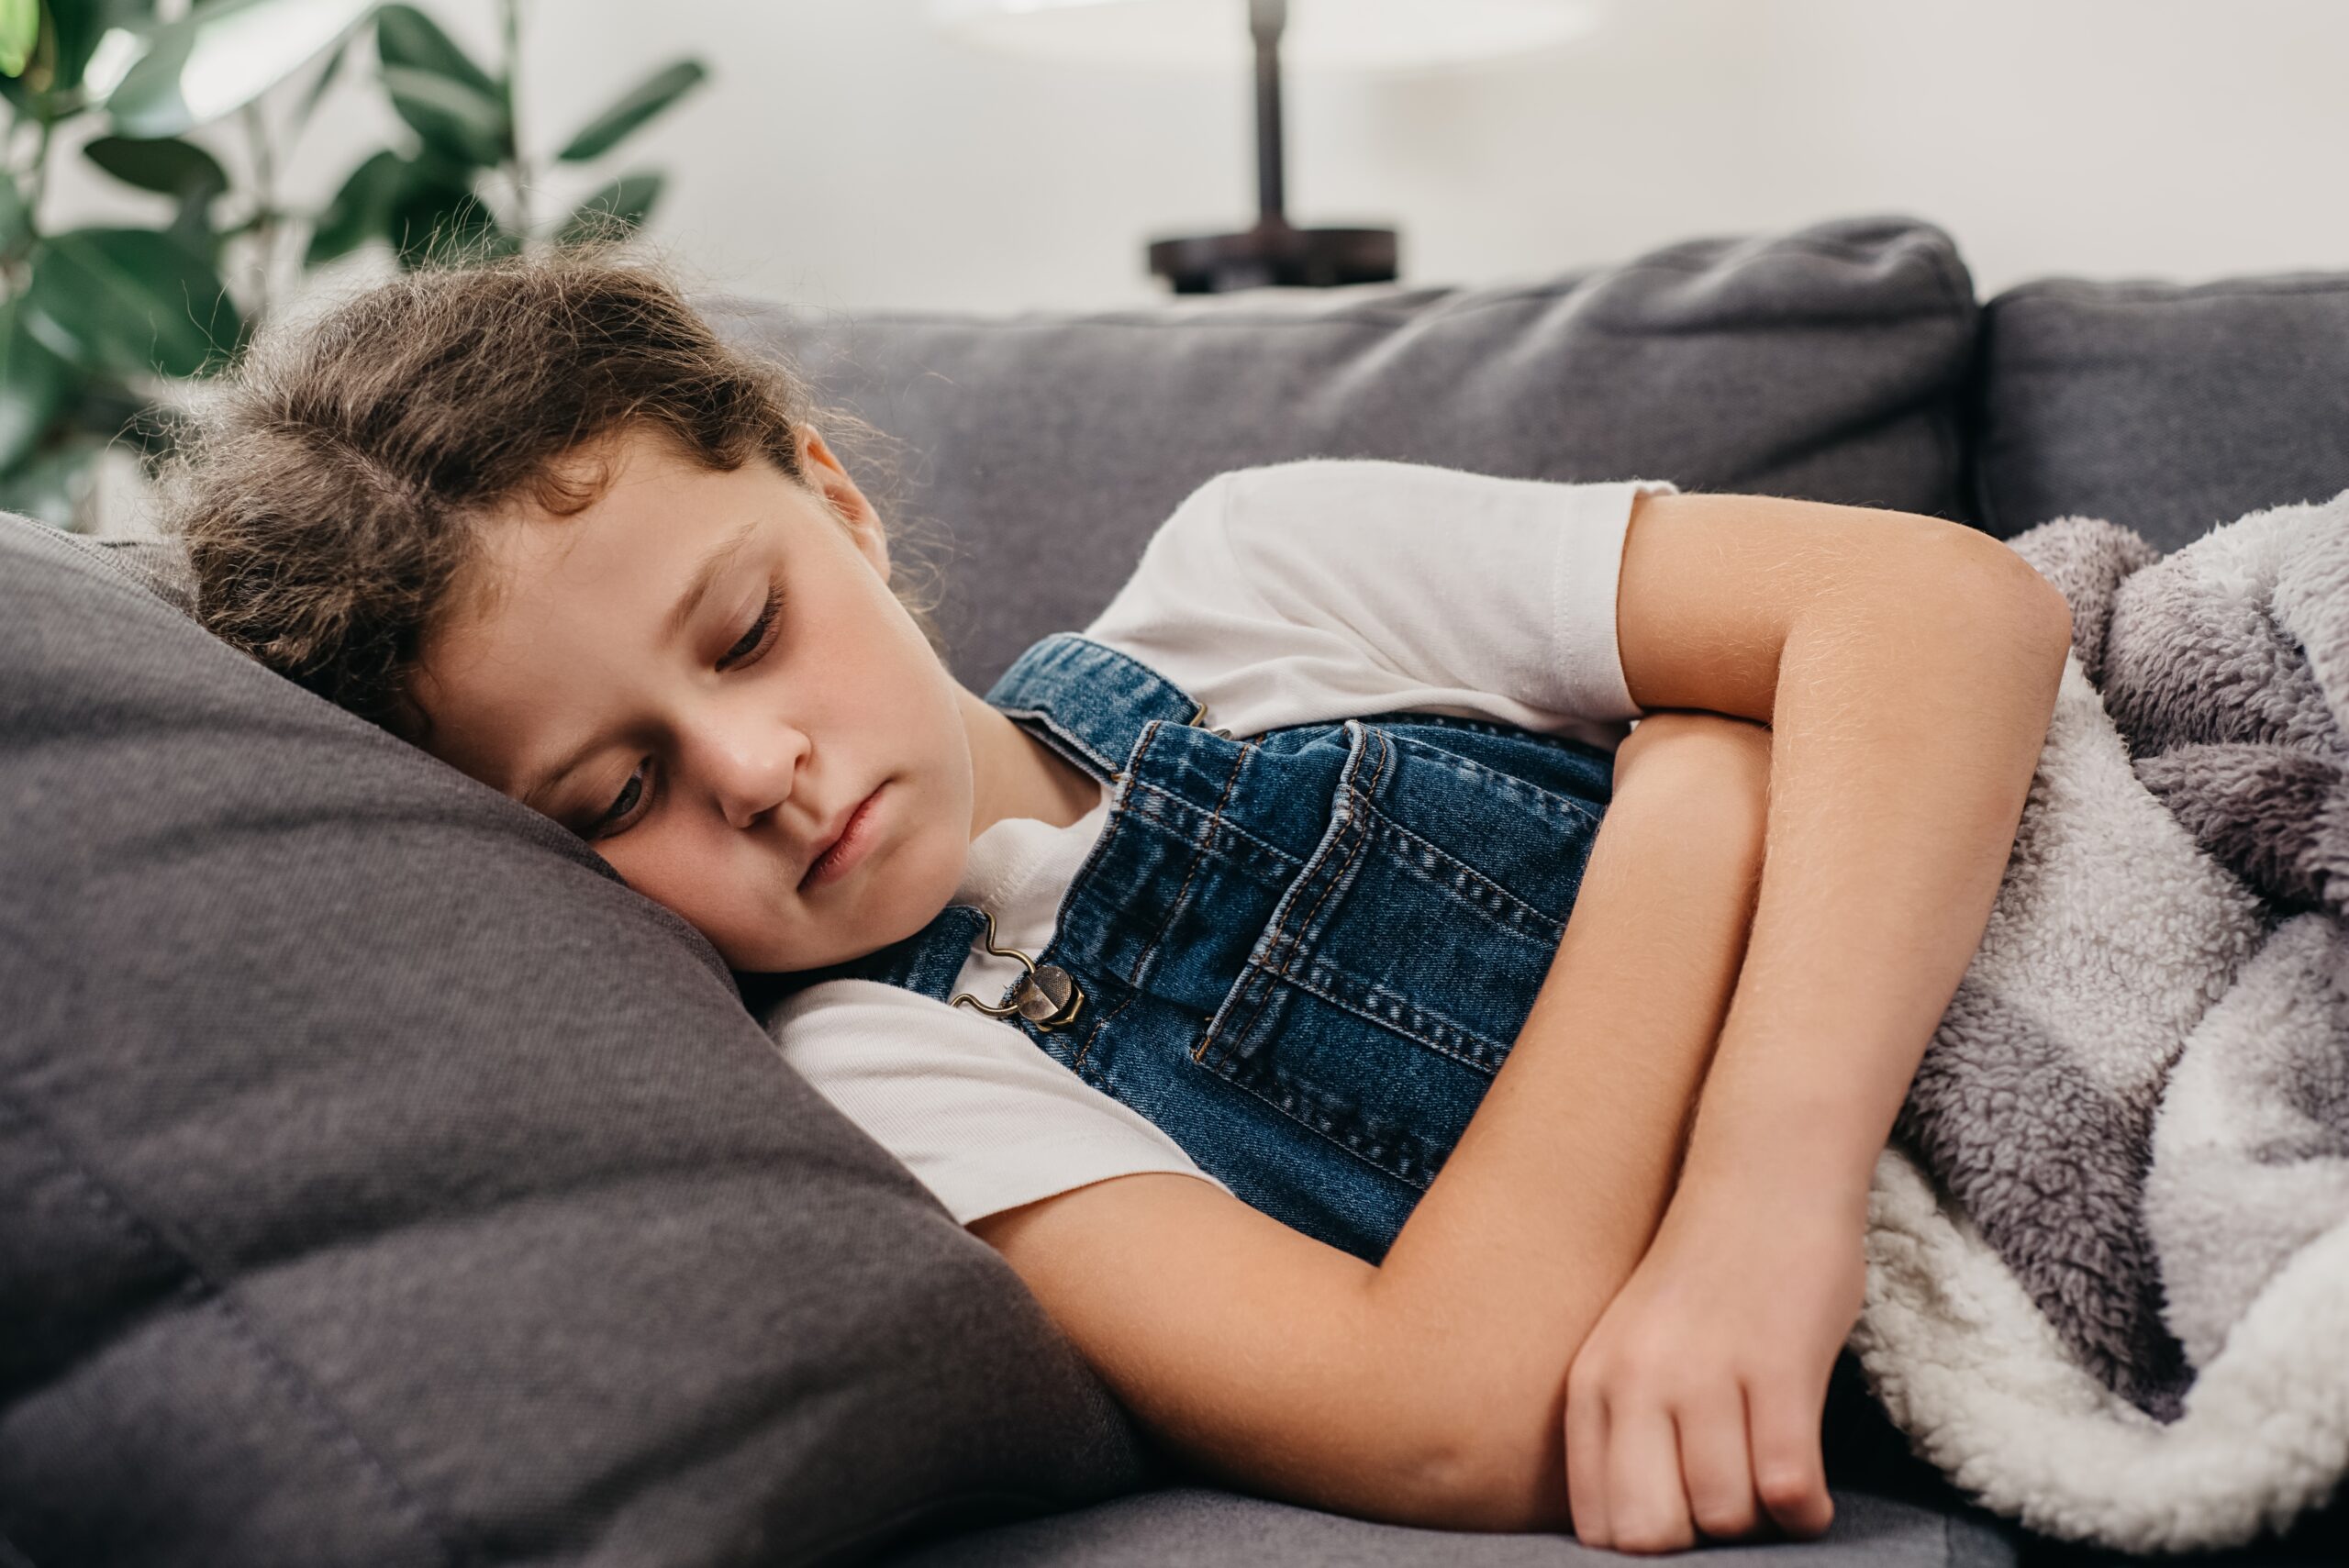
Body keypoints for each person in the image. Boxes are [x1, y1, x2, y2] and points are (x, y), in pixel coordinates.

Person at [164, 251, 2072, 1555]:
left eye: (743, 635)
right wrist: (1693, 796)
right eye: (616, 794)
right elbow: (1443, 1412)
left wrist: (1761, 1197)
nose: (753, 772)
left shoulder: (1263, 577)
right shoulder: (878, 1071)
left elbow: (1942, 611)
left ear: (834, 501)